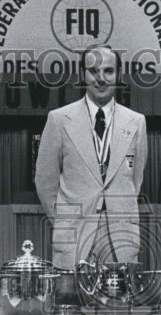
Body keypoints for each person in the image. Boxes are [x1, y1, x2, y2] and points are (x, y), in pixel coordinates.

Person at [35, 44, 148, 269]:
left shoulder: (136, 122)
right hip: (74, 239)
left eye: (108, 71)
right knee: (72, 304)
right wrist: (64, 223)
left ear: (119, 75)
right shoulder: (58, 120)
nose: (101, 78)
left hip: (121, 240)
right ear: (82, 75)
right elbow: (45, 182)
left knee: (119, 303)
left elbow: (135, 181)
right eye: (93, 71)